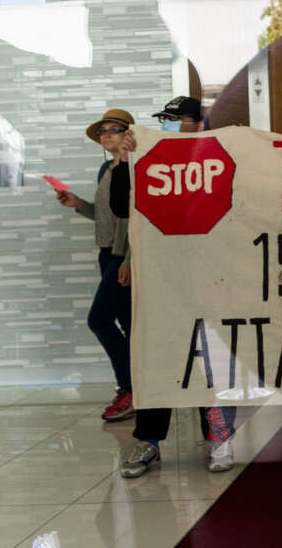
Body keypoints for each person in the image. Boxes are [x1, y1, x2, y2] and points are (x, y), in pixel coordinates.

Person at [109, 96, 239, 477]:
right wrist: (125, 160)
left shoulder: (218, 155)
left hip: (208, 278)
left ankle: (218, 435)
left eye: (173, 118)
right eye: (162, 119)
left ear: (196, 123)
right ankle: (148, 441)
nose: (166, 124)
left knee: (208, 359)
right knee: (158, 357)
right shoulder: (150, 157)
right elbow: (120, 206)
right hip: (161, 278)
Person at [55, 108, 135, 422]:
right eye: (103, 131)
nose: (107, 135)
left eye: (114, 129)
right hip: (107, 254)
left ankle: (129, 388)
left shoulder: (136, 168)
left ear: (128, 134)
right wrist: (79, 204)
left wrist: (128, 259)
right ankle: (138, 390)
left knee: (99, 320)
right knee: (127, 324)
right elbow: (106, 217)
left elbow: (136, 218)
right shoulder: (105, 168)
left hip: (122, 256)